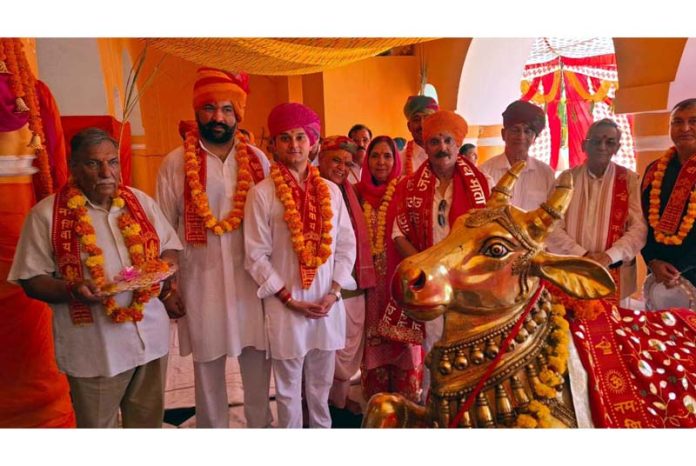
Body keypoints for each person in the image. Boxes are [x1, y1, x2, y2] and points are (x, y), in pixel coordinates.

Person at [8, 128, 183, 428]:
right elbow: (31, 279)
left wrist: (162, 269)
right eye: (93, 164)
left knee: (147, 426)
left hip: (151, 340)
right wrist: (73, 289)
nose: (106, 172)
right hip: (97, 349)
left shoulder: (139, 202)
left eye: (112, 162)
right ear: (73, 166)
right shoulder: (47, 215)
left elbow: (170, 249)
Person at [156, 67, 272, 428]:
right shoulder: (175, 163)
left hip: (249, 279)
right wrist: (168, 286)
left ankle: (261, 431)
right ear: (196, 112)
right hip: (199, 279)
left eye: (226, 109)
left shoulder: (257, 160)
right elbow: (164, 228)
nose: (217, 117)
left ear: (238, 114)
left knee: (257, 359)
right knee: (207, 364)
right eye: (209, 108)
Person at [244, 103, 357, 428]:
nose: (294, 145)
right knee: (289, 392)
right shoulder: (262, 194)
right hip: (285, 308)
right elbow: (255, 254)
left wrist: (333, 292)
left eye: (300, 137)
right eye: (285, 138)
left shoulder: (332, 192)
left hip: (325, 304)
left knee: (320, 390)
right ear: (274, 145)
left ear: (314, 143)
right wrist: (289, 299)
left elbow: (345, 244)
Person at [383, 110, 490, 401]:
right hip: (432, 281)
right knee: (434, 344)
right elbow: (398, 234)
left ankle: (468, 402)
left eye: (447, 141)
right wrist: (426, 266)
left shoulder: (484, 185)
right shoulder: (408, 187)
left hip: (469, 280)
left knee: (470, 345)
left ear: (458, 145)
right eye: (434, 142)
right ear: (425, 147)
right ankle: (435, 404)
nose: (442, 148)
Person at [547, 119, 647, 306]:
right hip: (573, 271)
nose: (602, 147)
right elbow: (551, 226)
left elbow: (639, 229)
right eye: (596, 141)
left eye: (609, 142)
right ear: (585, 145)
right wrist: (583, 255)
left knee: (612, 330)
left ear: (616, 148)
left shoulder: (629, 180)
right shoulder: (566, 179)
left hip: (614, 273)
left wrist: (608, 257)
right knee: (570, 329)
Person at [354, 135, 421, 402]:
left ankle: (408, 407)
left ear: (395, 160)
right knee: (373, 344)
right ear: (367, 160)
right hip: (369, 287)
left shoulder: (405, 191)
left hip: (399, 280)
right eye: (375, 156)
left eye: (387, 156)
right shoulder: (355, 193)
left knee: (404, 344)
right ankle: (378, 407)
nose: (381, 162)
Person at [317, 136, 377, 411]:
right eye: (336, 160)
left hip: (354, 284)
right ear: (320, 157)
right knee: (321, 350)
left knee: (349, 345)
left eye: (347, 162)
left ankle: (338, 405)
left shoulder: (353, 194)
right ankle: (317, 406)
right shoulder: (310, 190)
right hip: (319, 287)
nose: (342, 167)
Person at [641, 98, 696, 288]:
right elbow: (642, 221)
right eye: (677, 122)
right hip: (658, 274)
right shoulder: (655, 170)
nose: (685, 128)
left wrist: (679, 267)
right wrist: (651, 260)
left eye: (693, 121)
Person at [479, 100, 555, 211]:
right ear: (503, 134)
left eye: (527, 131)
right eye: (515, 130)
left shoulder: (546, 174)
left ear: (534, 138)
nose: (521, 136)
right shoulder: (485, 172)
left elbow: (552, 219)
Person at [401, 95, 439, 176]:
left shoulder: (447, 156)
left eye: (427, 118)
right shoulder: (400, 159)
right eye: (416, 119)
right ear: (409, 126)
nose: (422, 124)